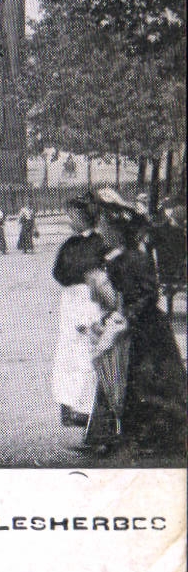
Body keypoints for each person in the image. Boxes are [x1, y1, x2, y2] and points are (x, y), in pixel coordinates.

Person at [82, 190, 187, 456]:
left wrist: (128, 315)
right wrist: (110, 317)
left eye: (105, 227)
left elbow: (149, 293)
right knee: (120, 373)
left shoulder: (134, 258)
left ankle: (156, 436)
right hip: (132, 324)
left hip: (148, 328)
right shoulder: (117, 259)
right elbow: (120, 297)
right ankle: (114, 433)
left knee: (149, 378)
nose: (101, 232)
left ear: (117, 231)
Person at [50, 194, 106, 428]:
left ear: (83, 217)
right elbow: (58, 272)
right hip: (74, 300)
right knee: (71, 351)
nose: (70, 221)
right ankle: (71, 403)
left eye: (72, 216)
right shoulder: (77, 243)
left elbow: (62, 272)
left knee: (84, 351)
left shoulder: (91, 244)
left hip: (88, 299)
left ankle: (83, 406)